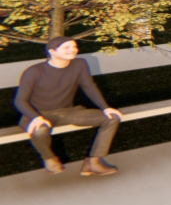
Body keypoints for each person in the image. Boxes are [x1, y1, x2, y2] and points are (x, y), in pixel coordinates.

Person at [15, 36, 122, 176]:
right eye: (67, 47)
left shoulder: (79, 64)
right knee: (39, 131)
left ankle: (93, 162)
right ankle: (49, 159)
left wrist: (105, 107)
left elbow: (89, 87)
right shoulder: (34, 71)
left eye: (74, 47)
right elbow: (20, 101)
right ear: (52, 51)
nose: (73, 50)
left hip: (68, 111)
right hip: (38, 114)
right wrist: (36, 117)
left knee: (112, 118)